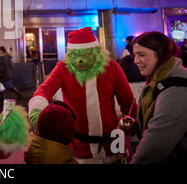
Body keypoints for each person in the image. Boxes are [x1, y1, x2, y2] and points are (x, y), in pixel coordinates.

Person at [28, 27, 137, 163]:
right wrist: (37, 111)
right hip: (79, 145)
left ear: (96, 52)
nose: (80, 60)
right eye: (75, 55)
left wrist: (134, 131)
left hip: (113, 141)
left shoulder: (112, 67)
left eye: (85, 55)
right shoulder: (63, 68)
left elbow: (128, 102)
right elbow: (43, 91)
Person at [131, 32, 187, 164]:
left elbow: (156, 143)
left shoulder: (178, 87)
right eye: (135, 55)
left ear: (160, 55)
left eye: (141, 55)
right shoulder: (157, 79)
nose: (135, 60)